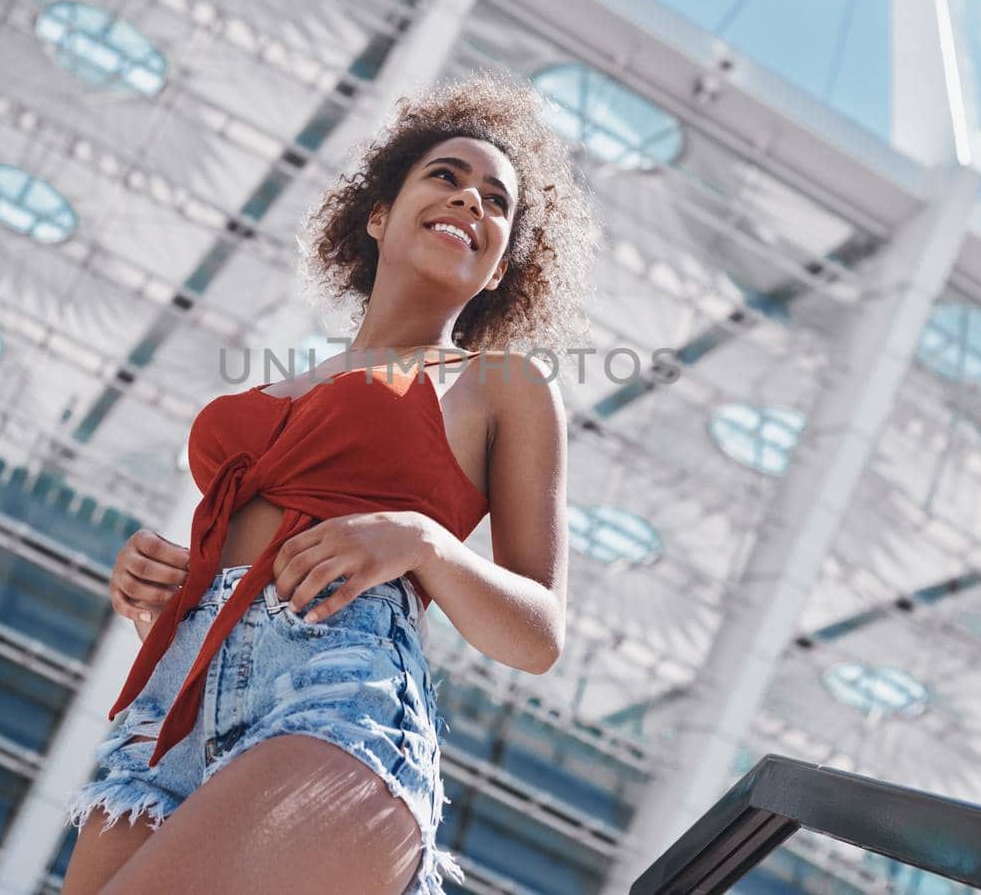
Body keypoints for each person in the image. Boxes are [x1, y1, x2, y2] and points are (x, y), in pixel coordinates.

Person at [62, 71, 596, 894]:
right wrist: (159, 593)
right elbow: (243, 577)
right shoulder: (287, 383)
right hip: (174, 703)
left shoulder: (503, 385)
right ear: (378, 216)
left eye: (497, 201)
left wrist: (423, 544)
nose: (471, 203)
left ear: (498, 270)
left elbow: (538, 634)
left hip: (337, 693)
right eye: (446, 177)